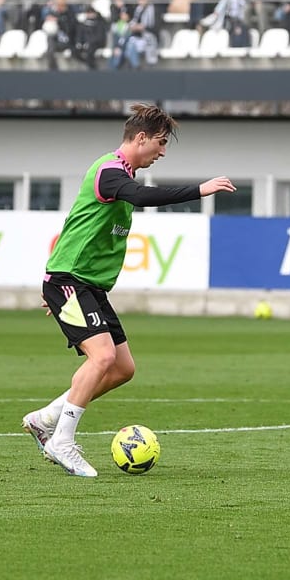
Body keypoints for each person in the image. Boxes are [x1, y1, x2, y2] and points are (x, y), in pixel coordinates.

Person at [22, 103, 236, 476]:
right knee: (102, 358)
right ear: (140, 138)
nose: (163, 152)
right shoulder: (110, 171)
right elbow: (140, 197)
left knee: (122, 368)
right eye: (160, 142)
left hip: (85, 285)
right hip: (71, 282)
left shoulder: (118, 175)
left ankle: (47, 418)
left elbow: (73, 224)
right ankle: (63, 440)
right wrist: (200, 190)